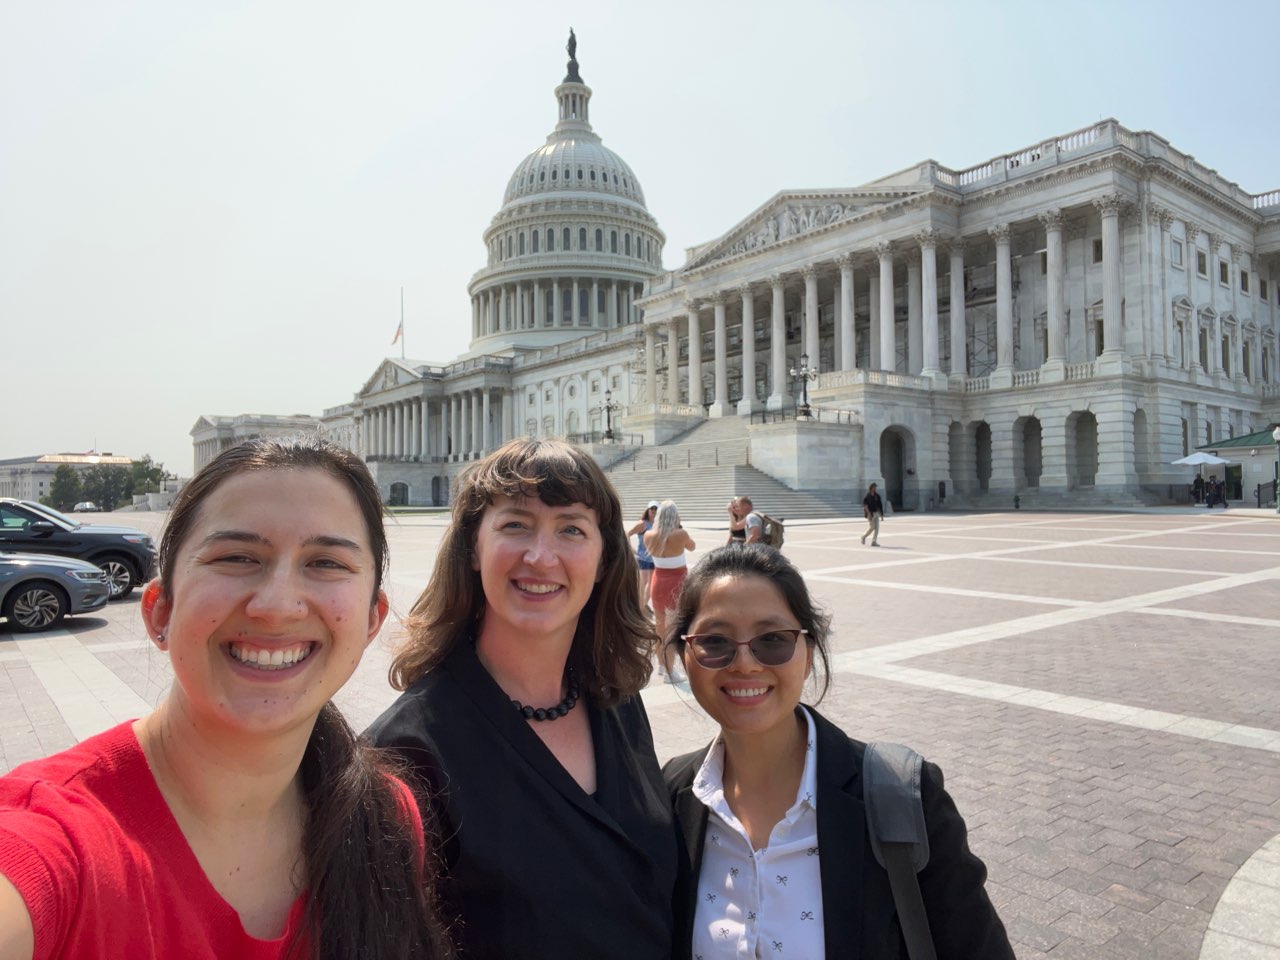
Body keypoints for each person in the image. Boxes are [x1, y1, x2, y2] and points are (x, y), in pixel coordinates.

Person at [0, 436, 451, 960]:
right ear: (159, 611)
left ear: (372, 620)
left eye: (326, 563)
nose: (278, 605)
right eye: (237, 557)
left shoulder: (388, 818)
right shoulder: (55, 843)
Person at [365, 438, 678, 960]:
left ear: (603, 560)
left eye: (572, 529)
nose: (541, 556)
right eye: (515, 525)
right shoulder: (406, 752)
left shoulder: (618, 702)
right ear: (472, 547)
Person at [662, 544, 1013, 959]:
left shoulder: (901, 795)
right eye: (714, 641)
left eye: (773, 640)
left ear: (808, 654)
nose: (744, 664)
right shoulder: (671, 795)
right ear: (686, 656)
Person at [644, 500, 696, 683]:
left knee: (660, 627)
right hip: (677, 581)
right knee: (673, 629)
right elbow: (692, 546)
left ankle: (661, 664)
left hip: (658, 581)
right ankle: (669, 672)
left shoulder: (649, 535)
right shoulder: (680, 534)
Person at [627, 500, 659, 607]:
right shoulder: (643, 524)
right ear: (648, 510)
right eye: (652, 509)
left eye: (656, 509)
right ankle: (639, 608)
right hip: (643, 559)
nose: (654, 511)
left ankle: (642, 607)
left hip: (654, 559)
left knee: (651, 586)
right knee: (643, 585)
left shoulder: (657, 524)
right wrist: (632, 550)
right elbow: (627, 534)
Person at [862, 481, 885, 546]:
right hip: (871, 514)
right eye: (874, 487)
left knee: (877, 528)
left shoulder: (877, 496)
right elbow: (865, 505)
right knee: (872, 527)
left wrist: (882, 515)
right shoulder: (868, 496)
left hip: (877, 513)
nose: (875, 488)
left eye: (875, 487)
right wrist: (868, 514)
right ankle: (864, 537)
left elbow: (880, 506)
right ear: (871, 487)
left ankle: (874, 541)